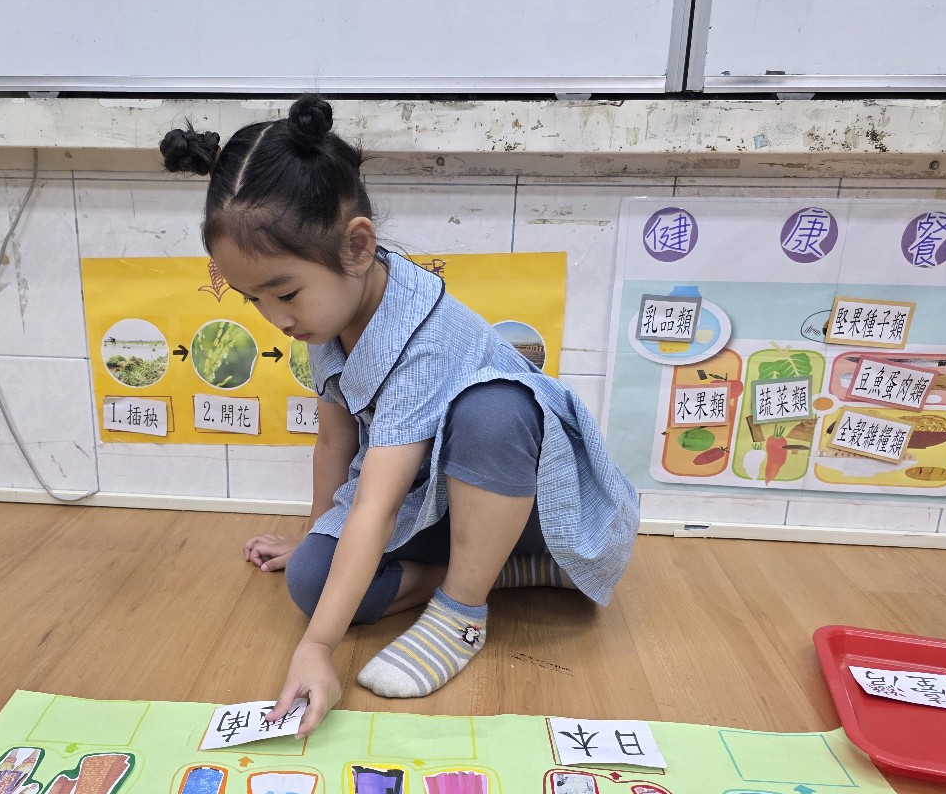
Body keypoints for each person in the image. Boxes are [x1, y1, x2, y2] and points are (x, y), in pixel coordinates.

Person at [160, 96, 638, 738]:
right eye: (255, 301)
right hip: (443, 508)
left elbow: (379, 503)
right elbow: (335, 441)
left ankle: (463, 608)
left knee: (494, 411)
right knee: (311, 579)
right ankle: (501, 571)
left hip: (530, 505)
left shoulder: (422, 333)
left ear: (357, 247)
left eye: (286, 293)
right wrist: (314, 535)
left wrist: (317, 648)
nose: (276, 319)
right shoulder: (329, 315)